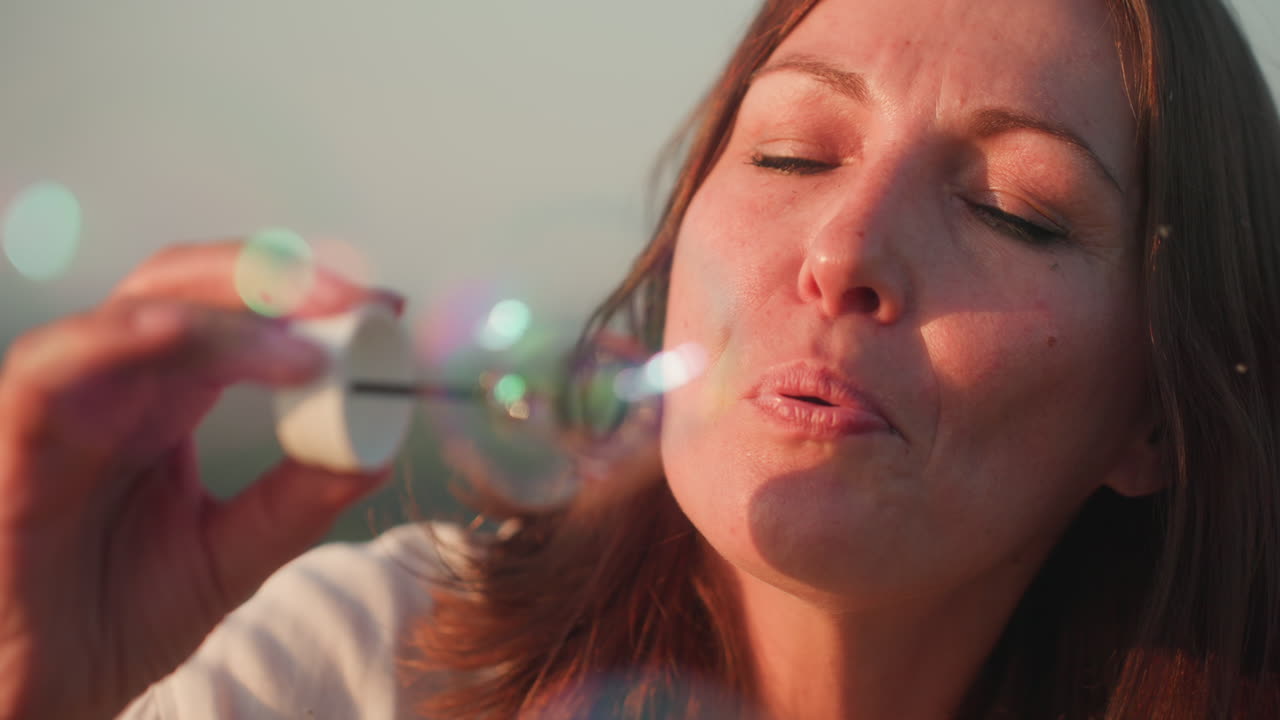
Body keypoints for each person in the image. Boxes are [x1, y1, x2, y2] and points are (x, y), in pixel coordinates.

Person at [1, 0, 1278, 717]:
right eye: (790, 151)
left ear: (1154, 419)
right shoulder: (368, 667)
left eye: (1014, 207)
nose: (841, 250)